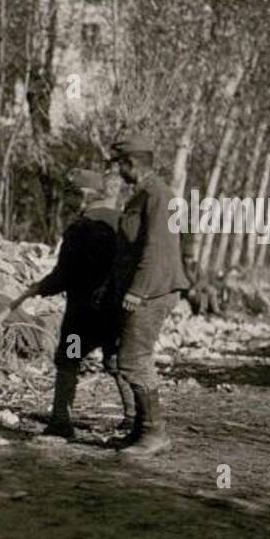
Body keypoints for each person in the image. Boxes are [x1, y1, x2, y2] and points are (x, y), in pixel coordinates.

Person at [2, 168, 134, 438]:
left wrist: (38, 288)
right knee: (115, 359)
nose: (70, 202)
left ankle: (61, 422)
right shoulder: (124, 224)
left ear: (85, 195)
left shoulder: (81, 228)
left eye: (72, 196)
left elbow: (64, 274)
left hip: (83, 315)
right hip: (118, 311)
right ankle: (134, 417)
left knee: (69, 359)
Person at [108, 134, 190, 456]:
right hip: (146, 289)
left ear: (132, 164)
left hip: (152, 292)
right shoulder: (146, 194)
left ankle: (155, 434)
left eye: (120, 166)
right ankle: (142, 430)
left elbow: (156, 249)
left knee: (134, 360)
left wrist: (138, 291)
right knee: (125, 357)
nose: (118, 172)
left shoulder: (158, 196)